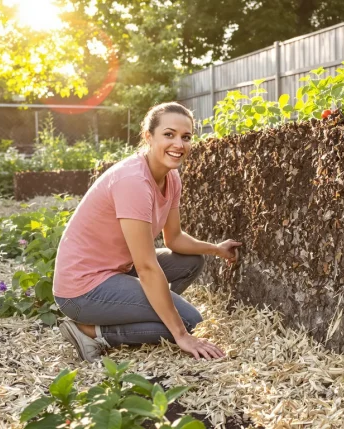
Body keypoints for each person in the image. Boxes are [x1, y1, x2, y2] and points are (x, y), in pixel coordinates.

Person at [53, 102, 241, 362]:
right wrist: (180, 334)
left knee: (190, 262)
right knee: (189, 322)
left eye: (186, 137)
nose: (179, 144)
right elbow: (146, 267)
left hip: (115, 271)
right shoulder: (133, 181)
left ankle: (144, 313)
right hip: (81, 290)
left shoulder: (171, 177)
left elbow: (173, 239)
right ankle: (90, 331)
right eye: (169, 134)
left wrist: (215, 249)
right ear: (148, 137)